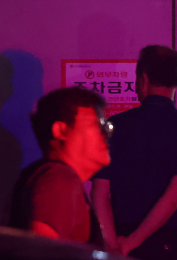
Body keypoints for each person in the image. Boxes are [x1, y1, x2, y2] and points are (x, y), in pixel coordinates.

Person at [92, 45, 177, 260]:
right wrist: (134, 240)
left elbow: (99, 193)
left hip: (121, 237)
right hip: (171, 244)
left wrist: (114, 244)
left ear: (143, 79)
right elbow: (174, 196)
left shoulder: (115, 126)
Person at [8, 87, 110, 243]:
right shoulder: (59, 180)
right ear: (61, 131)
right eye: (97, 125)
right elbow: (41, 258)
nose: (105, 134)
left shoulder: (54, 177)